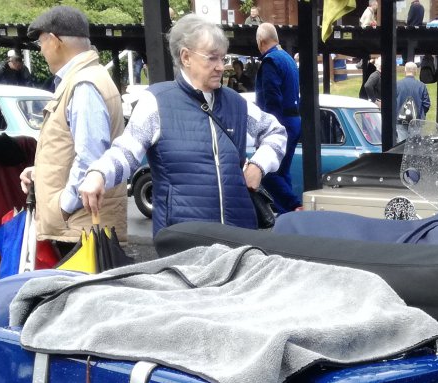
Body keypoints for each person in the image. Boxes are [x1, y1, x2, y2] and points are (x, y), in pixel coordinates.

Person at [77, 14, 285, 236]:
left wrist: (259, 165)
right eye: (212, 58)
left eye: (222, 58)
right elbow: (126, 151)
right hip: (183, 241)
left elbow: (276, 132)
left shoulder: (235, 103)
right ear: (186, 57)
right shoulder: (157, 102)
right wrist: (98, 173)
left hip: (239, 236)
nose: (221, 67)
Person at [20, 4, 129, 248]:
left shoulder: (83, 84)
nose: (41, 52)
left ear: (55, 40)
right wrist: (42, 172)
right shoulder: (89, 77)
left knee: (80, 287)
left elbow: (90, 159)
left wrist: (64, 206)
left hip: (80, 228)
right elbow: (71, 149)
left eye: (41, 44)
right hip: (83, 225)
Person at [254, 22, 301, 212]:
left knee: (267, 171)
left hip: (280, 122)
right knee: (282, 171)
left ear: (260, 41)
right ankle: (290, 214)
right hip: (294, 120)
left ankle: (294, 207)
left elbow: (272, 97)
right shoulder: (288, 59)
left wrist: (269, 129)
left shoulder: (270, 61)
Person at [394, 60, 430, 139]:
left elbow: (392, 103)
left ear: (405, 70)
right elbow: (426, 104)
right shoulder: (421, 86)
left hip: (400, 121)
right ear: (416, 71)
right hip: (417, 121)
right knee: (415, 146)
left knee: (401, 145)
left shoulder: (397, 85)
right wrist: (420, 114)